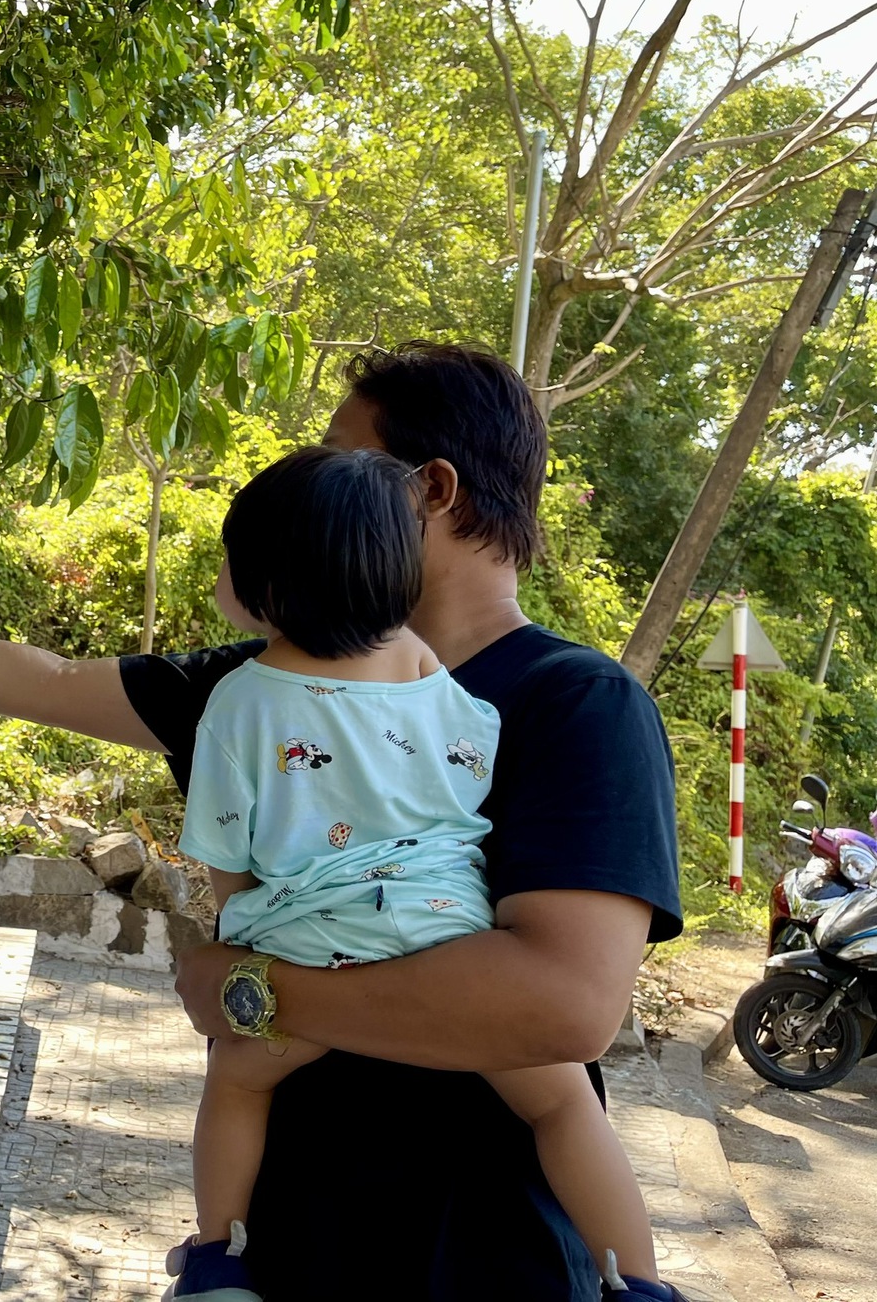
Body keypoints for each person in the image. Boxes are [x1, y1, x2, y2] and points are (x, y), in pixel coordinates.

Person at [0, 341, 683, 1301]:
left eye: (342, 460)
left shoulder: (576, 703)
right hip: (290, 1243)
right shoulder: (267, 682)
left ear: (433, 491)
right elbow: (49, 680)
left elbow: (564, 1004)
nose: (312, 483)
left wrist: (248, 989)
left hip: (483, 1262)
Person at [163, 444, 660, 1302]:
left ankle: (216, 1260)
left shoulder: (241, 697)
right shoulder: (429, 670)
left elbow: (225, 850)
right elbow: (469, 758)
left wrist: (242, 941)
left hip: (308, 947)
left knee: (238, 1084)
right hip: (443, 927)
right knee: (564, 1106)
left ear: (262, 586)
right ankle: (642, 1283)